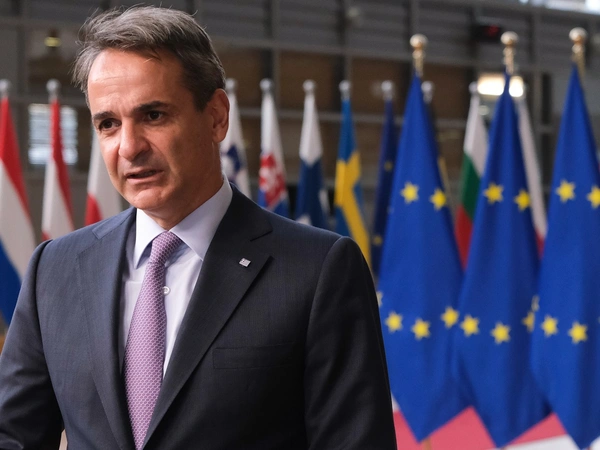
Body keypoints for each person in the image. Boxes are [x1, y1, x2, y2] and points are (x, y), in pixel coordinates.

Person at [0, 6, 396, 450]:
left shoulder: (318, 270)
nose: (128, 147)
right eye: (108, 124)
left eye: (153, 115)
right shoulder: (55, 269)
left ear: (216, 117)